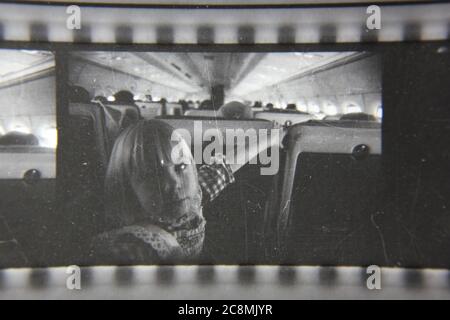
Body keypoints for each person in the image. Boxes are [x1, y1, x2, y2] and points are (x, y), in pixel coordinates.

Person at [91, 119, 235, 264]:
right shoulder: (136, 244)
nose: (174, 183)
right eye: (153, 174)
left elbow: (222, 168)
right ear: (126, 187)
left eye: (181, 167)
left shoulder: (193, 197)